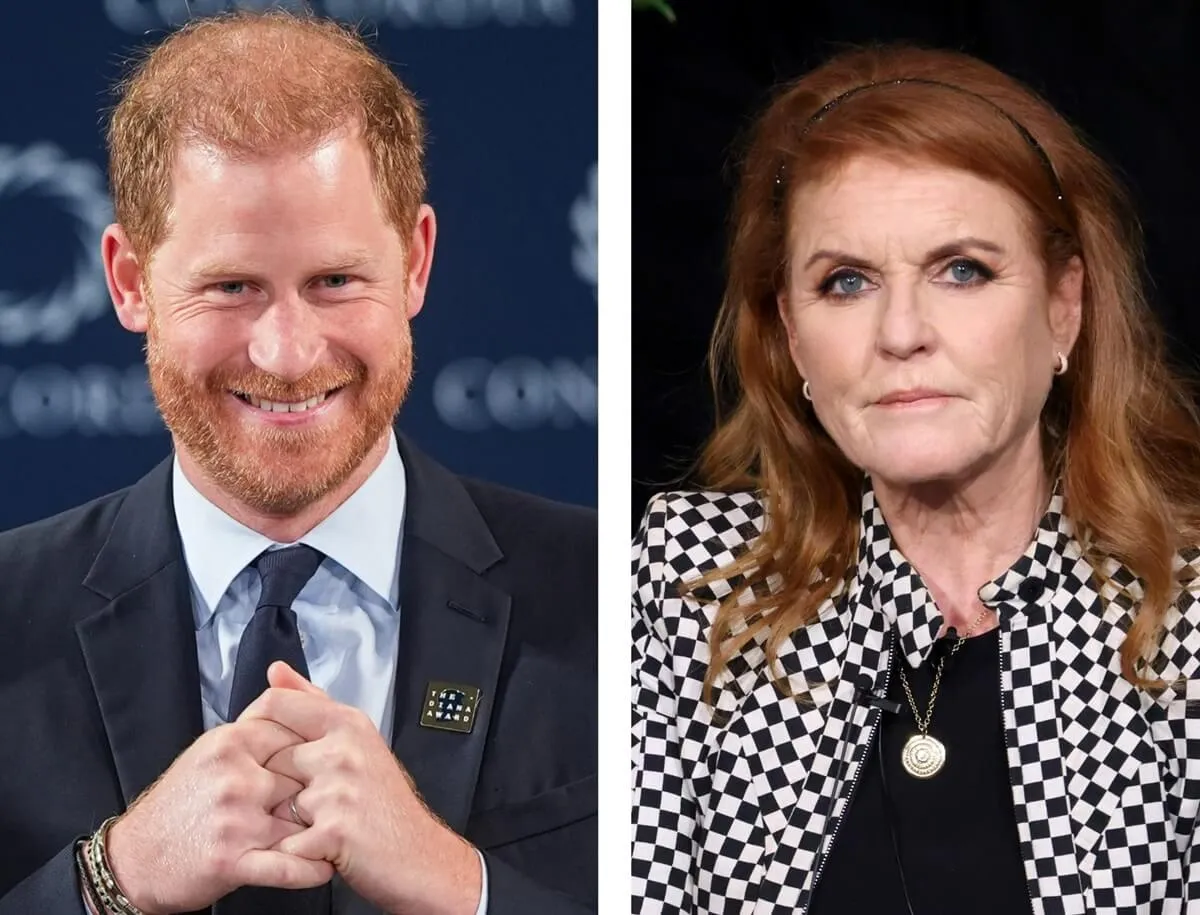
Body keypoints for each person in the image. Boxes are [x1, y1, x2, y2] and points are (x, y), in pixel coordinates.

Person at [0, 10, 595, 915]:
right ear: (128, 282)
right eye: (231, 286)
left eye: (334, 281)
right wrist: (107, 880)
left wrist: (461, 888)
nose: (284, 354)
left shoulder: (611, 599)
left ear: (417, 263)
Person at [631, 43, 1200, 915]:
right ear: (791, 334)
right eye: (847, 282)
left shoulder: (1184, 611)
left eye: (961, 270)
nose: (901, 331)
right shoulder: (693, 590)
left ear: (1064, 307)